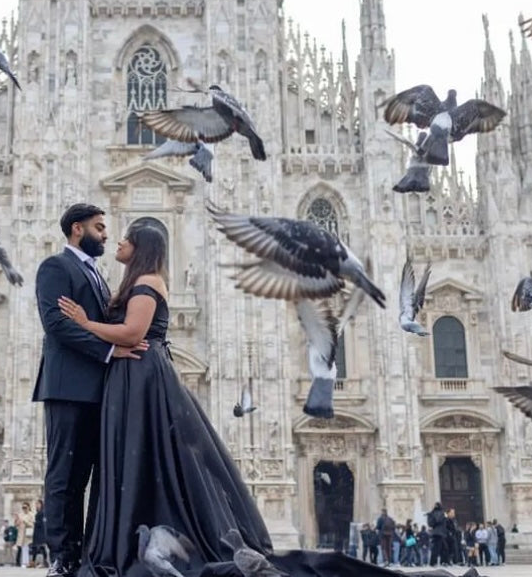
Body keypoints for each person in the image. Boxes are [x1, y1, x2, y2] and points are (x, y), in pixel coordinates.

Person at [58, 223, 402, 577]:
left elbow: (133, 333)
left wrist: (85, 323)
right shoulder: (135, 282)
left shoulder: (147, 282)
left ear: (142, 247)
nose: (118, 240)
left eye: (127, 237)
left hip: (143, 379)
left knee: (160, 460)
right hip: (132, 381)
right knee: (148, 460)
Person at [33, 203, 149, 577]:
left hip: (99, 389)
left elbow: (96, 323)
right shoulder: (56, 267)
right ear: (77, 229)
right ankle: (62, 557)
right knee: (65, 475)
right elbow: (56, 325)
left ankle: (88, 553)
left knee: (94, 474)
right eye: (99, 227)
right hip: (68, 386)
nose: (105, 234)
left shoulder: (96, 275)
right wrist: (112, 350)